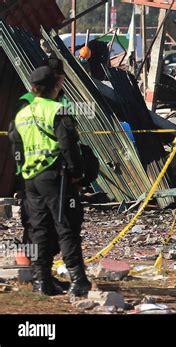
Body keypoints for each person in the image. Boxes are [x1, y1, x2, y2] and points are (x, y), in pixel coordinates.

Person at [9, 66, 91, 297]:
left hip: (31, 179)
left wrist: (22, 174)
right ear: (55, 87)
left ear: (33, 88)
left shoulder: (21, 114)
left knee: (39, 229)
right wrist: (77, 173)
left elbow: (17, 147)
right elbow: (68, 144)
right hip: (55, 176)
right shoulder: (57, 110)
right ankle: (78, 279)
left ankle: (41, 280)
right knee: (66, 226)